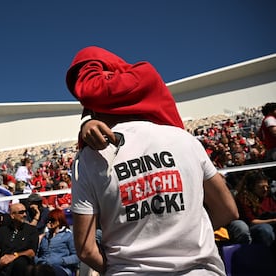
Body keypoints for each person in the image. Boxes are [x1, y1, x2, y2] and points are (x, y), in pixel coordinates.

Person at [66, 46, 239, 275]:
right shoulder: (185, 139)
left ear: (95, 112)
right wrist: (191, 241)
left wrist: (122, 268)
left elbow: (86, 250)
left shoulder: (88, 158)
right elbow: (228, 210)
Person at [235, 170, 276, 247]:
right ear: (252, 187)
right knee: (265, 229)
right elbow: (252, 222)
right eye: (261, 187)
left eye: (267, 187)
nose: (265, 189)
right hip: (255, 228)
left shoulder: (269, 198)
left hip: (272, 223)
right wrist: (273, 221)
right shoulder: (244, 199)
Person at [36, 209, 79, 276]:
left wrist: (61, 261)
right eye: (48, 220)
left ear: (59, 220)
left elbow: (76, 257)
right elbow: (38, 254)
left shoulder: (68, 236)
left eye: (52, 220)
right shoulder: (44, 237)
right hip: (44, 267)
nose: (50, 222)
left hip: (61, 267)